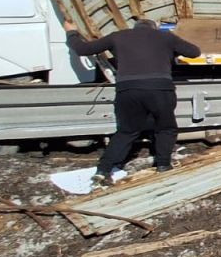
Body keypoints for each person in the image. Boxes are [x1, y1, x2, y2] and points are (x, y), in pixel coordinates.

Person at [63, 17, 202, 183]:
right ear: (155, 27)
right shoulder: (166, 37)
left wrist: (71, 32)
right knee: (166, 128)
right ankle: (163, 165)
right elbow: (194, 52)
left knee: (127, 131)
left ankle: (103, 169)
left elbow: (82, 49)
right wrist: (170, 50)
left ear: (135, 27)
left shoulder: (118, 36)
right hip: (160, 88)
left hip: (128, 89)